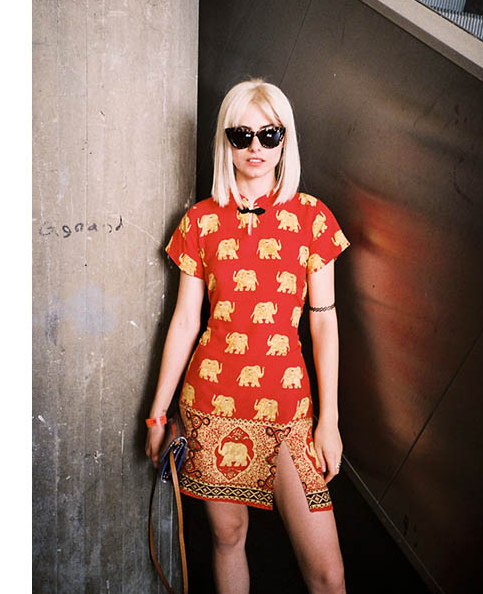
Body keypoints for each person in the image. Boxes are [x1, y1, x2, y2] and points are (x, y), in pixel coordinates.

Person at [146, 79, 350, 594]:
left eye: (269, 134)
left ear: (285, 139)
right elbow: (185, 321)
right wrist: (158, 414)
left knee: (328, 575)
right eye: (242, 135)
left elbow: (324, 321)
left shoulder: (312, 217)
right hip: (211, 402)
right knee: (228, 537)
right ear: (226, 142)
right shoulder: (199, 222)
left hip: (288, 407)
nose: (255, 147)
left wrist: (329, 420)